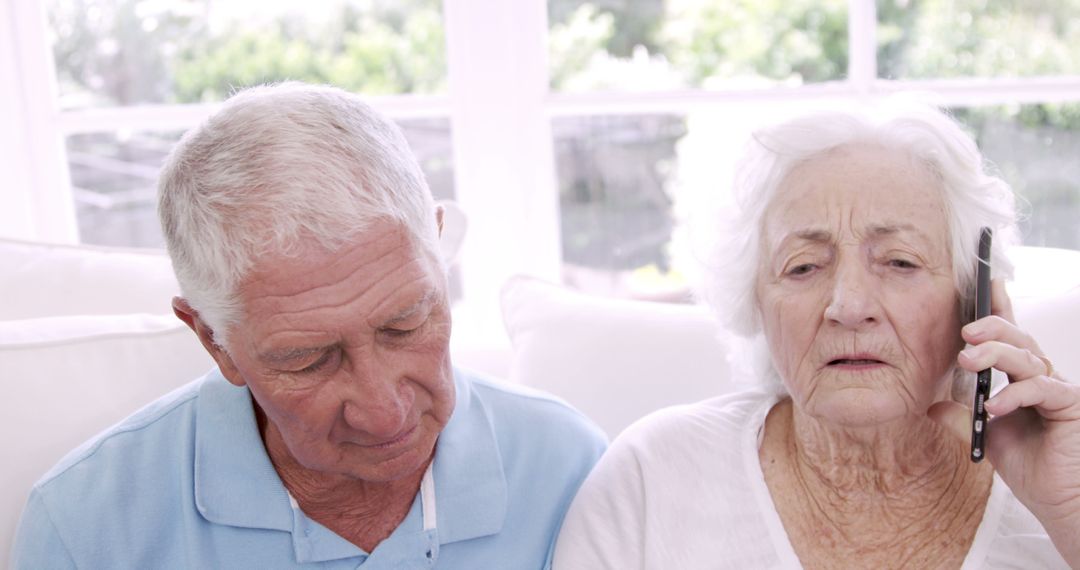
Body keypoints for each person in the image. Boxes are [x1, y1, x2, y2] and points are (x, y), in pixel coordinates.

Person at [11, 83, 606, 569]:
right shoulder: (86, 528)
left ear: (440, 250)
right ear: (213, 342)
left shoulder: (571, 467)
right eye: (308, 359)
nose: (383, 412)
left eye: (405, 324)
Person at [552, 101, 1080, 569]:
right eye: (803, 267)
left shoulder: (1060, 484)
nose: (848, 307)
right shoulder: (651, 481)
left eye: (899, 261)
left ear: (978, 298)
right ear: (755, 298)